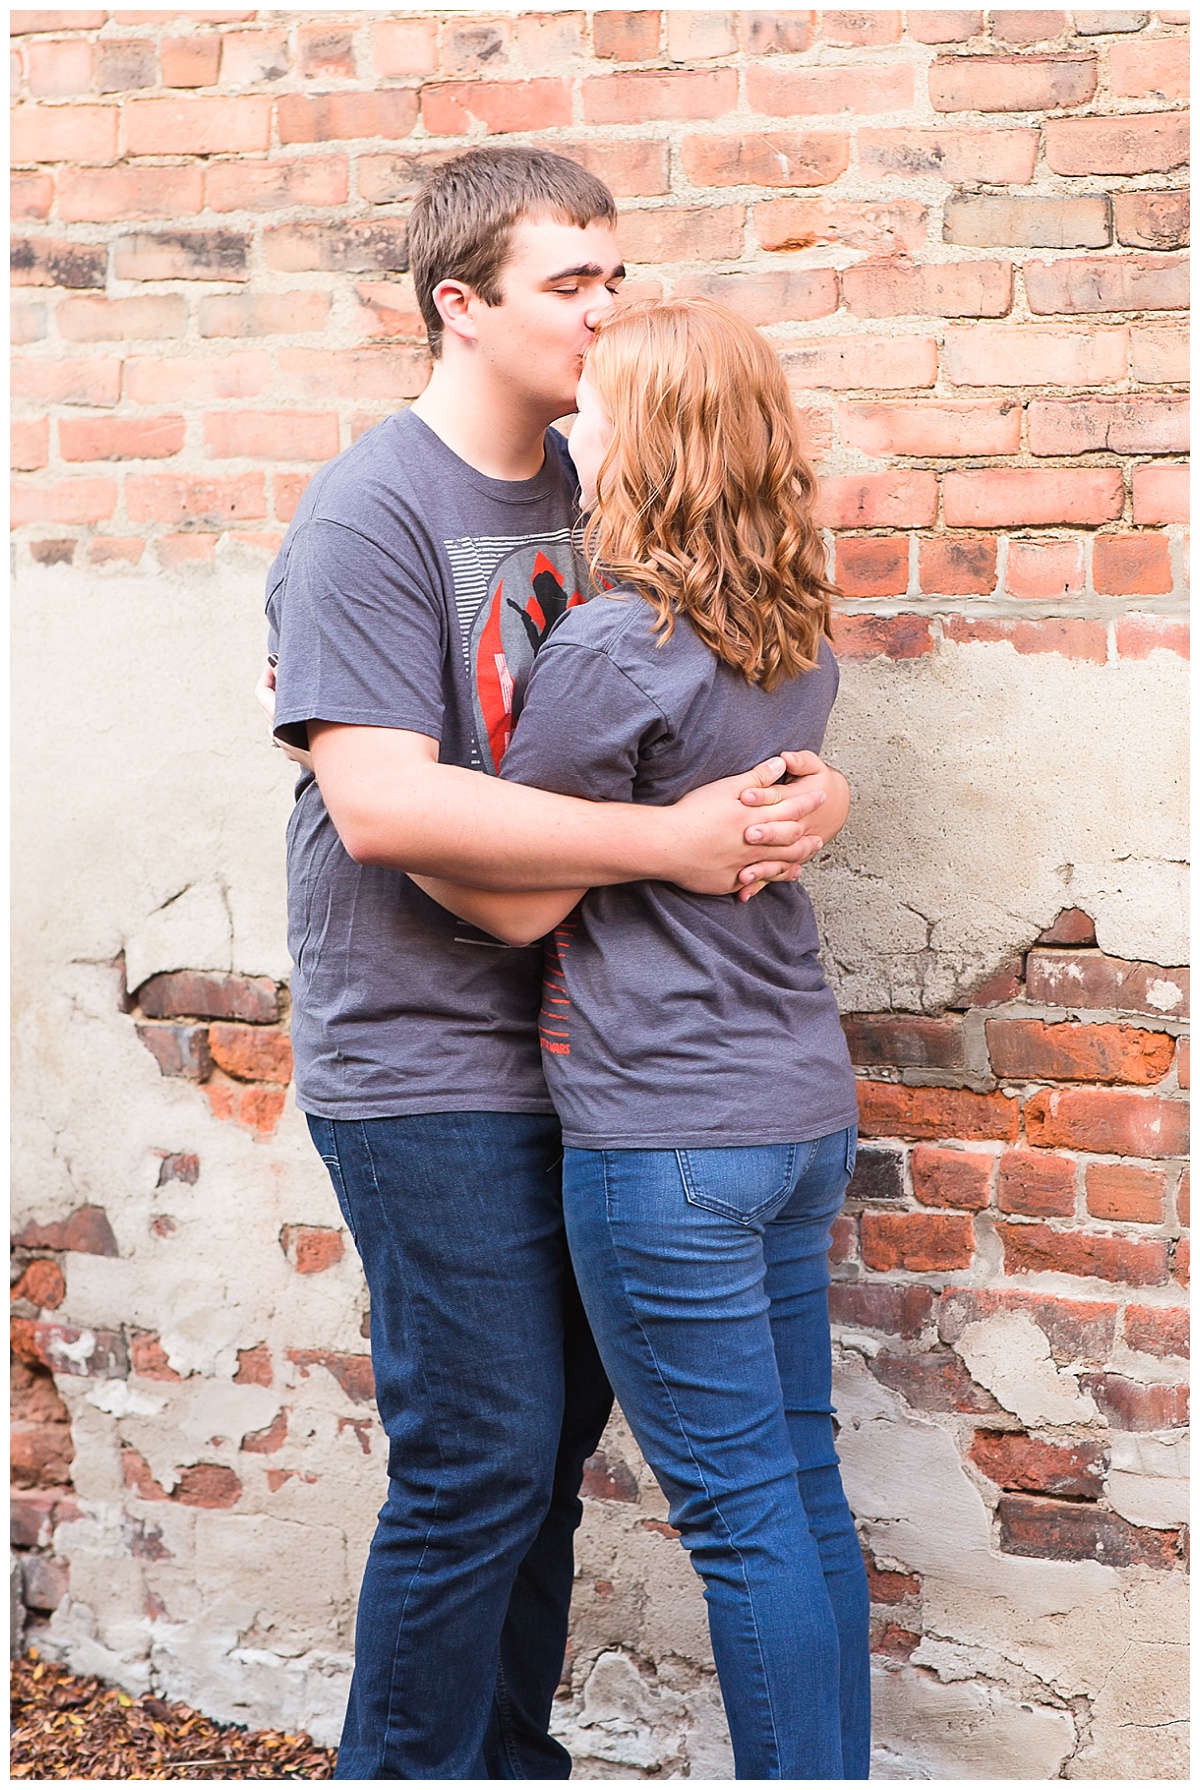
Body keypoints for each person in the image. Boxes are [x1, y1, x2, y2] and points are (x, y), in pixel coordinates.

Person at [263, 148, 848, 1780]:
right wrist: (674, 847)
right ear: (460, 306)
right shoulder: (374, 508)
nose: (609, 310)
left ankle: (506, 1755)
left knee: (546, 1454)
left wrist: (813, 791)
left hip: (605, 1057)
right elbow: (379, 802)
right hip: (425, 1043)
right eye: (569, 285)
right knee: (480, 1457)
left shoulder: (610, 484)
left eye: (614, 275)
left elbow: (705, 713)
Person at [411, 297, 870, 1780]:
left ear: (652, 448)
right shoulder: (795, 638)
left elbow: (516, 893)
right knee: (800, 1488)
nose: (575, 430)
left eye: (598, 412)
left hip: (665, 1137)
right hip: (797, 1111)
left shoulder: (612, 647)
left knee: (737, 1517)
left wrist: (386, 812)